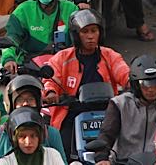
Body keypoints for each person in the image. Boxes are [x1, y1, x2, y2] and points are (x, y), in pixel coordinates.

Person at [42, 9, 130, 154]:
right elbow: (50, 79)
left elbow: (122, 70)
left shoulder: (110, 55)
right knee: (62, 150)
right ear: (76, 35)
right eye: (85, 32)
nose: (90, 36)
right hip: (71, 113)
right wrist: (51, 92)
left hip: (108, 114)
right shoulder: (62, 57)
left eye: (94, 31)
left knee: (125, 149)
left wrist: (131, 82)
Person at [95, 55, 156, 165]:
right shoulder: (119, 104)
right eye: (145, 85)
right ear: (136, 86)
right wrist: (102, 158)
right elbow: (107, 134)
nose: (151, 89)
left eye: (155, 84)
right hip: (124, 161)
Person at [1, 0, 80, 73]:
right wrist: (8, 59)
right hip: (29, 67)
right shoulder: (22, 11)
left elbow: (81, 38)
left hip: (64, 66)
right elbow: (11, 38)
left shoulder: (71, 9)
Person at [0, 76, 67, 165]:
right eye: (20, 99)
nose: (26, 103)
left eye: (31, 99)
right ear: (11, 104)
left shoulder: (51, 134)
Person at [0, 108, 65, 165]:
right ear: (15, 139)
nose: (28, 142)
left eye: (33, 136)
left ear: (40, 137)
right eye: (22, 136)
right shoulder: (4, 162)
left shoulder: (53, 156)